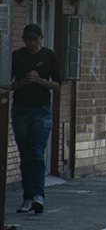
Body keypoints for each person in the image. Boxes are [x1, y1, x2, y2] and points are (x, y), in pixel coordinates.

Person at [11, 23, 60, 214]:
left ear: (41, 38)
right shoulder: (17, 56)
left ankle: (38, 196)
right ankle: (27, 197)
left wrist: (41, 81)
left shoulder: (49, 56)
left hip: (42, 111)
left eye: (35, 38)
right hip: (21, 110)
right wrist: (23, 82)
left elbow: (58, 85)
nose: (31, 42)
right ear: (23, 39)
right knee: (25, 155)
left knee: (37, 152)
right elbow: (8, 84)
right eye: (28, 39)